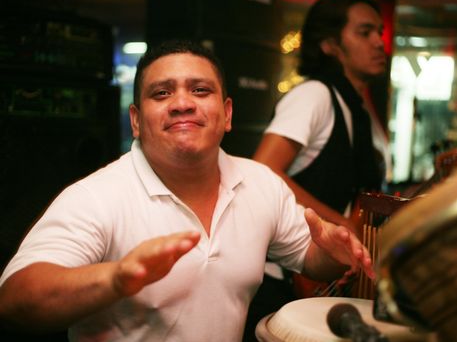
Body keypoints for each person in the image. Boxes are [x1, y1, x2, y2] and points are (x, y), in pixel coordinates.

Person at [0, 39, 374, 342]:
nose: (182, 103)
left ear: (227, 114)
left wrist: (334, 253)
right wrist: (116, 279)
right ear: (135, 120)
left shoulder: (260, 183)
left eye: (200, 90)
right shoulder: (97, 196)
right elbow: (15, 301)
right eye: (161, 93)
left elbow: (310, 260)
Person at [248, 0, 390, 327]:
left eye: (379, 32)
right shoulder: (314, 95)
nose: (378, 42)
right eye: (364, 32)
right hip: (285, 279)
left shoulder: (357, 106)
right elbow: (263, 169)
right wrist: (342, 225)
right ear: (329, 45)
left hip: (322, 277)